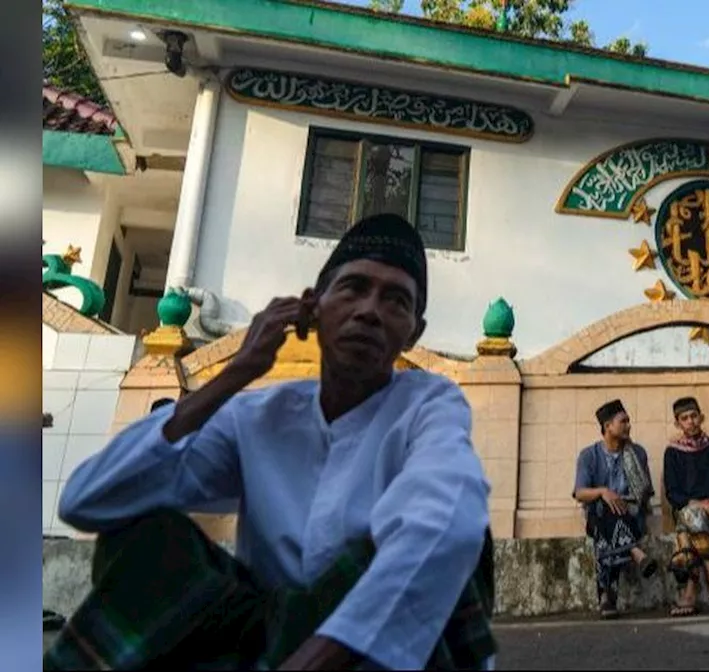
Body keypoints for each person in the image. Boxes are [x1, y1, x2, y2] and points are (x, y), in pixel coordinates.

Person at [44, 213, 497, 671]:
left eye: (396, 300)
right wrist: (236, 372)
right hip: (262, 634)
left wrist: (311, 662)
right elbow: (89, 501)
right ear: (312, 308)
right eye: (353, 288)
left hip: (372, 644)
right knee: (148, 534)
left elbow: (449, 514)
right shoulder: (256, 415)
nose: (370, 311)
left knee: (454, 536)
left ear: (413, 333)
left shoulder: (429, 403)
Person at [573, 399, 660, 619]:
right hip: (598, 516)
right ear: (607, 426)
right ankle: (635, 552)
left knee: (605, 534)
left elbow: (645, 492)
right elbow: (580, 492)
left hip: (631, 517)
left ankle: (605, 597)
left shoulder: (637, 453)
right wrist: (603, 491)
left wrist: (621, 500)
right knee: (604, 507)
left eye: (628, 421)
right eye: (623, 421)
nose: (629, 425)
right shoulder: (589, 455)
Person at [663, 396, 709, 618]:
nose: (691, 421)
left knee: (686, 527)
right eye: (685, 418)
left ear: (701, 417)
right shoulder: (673, 452)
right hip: (690, 511)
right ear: (678, 424)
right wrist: (701, 505)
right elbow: (673, 495)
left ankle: (689, 593)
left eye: (694, 416)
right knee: (690, 516)